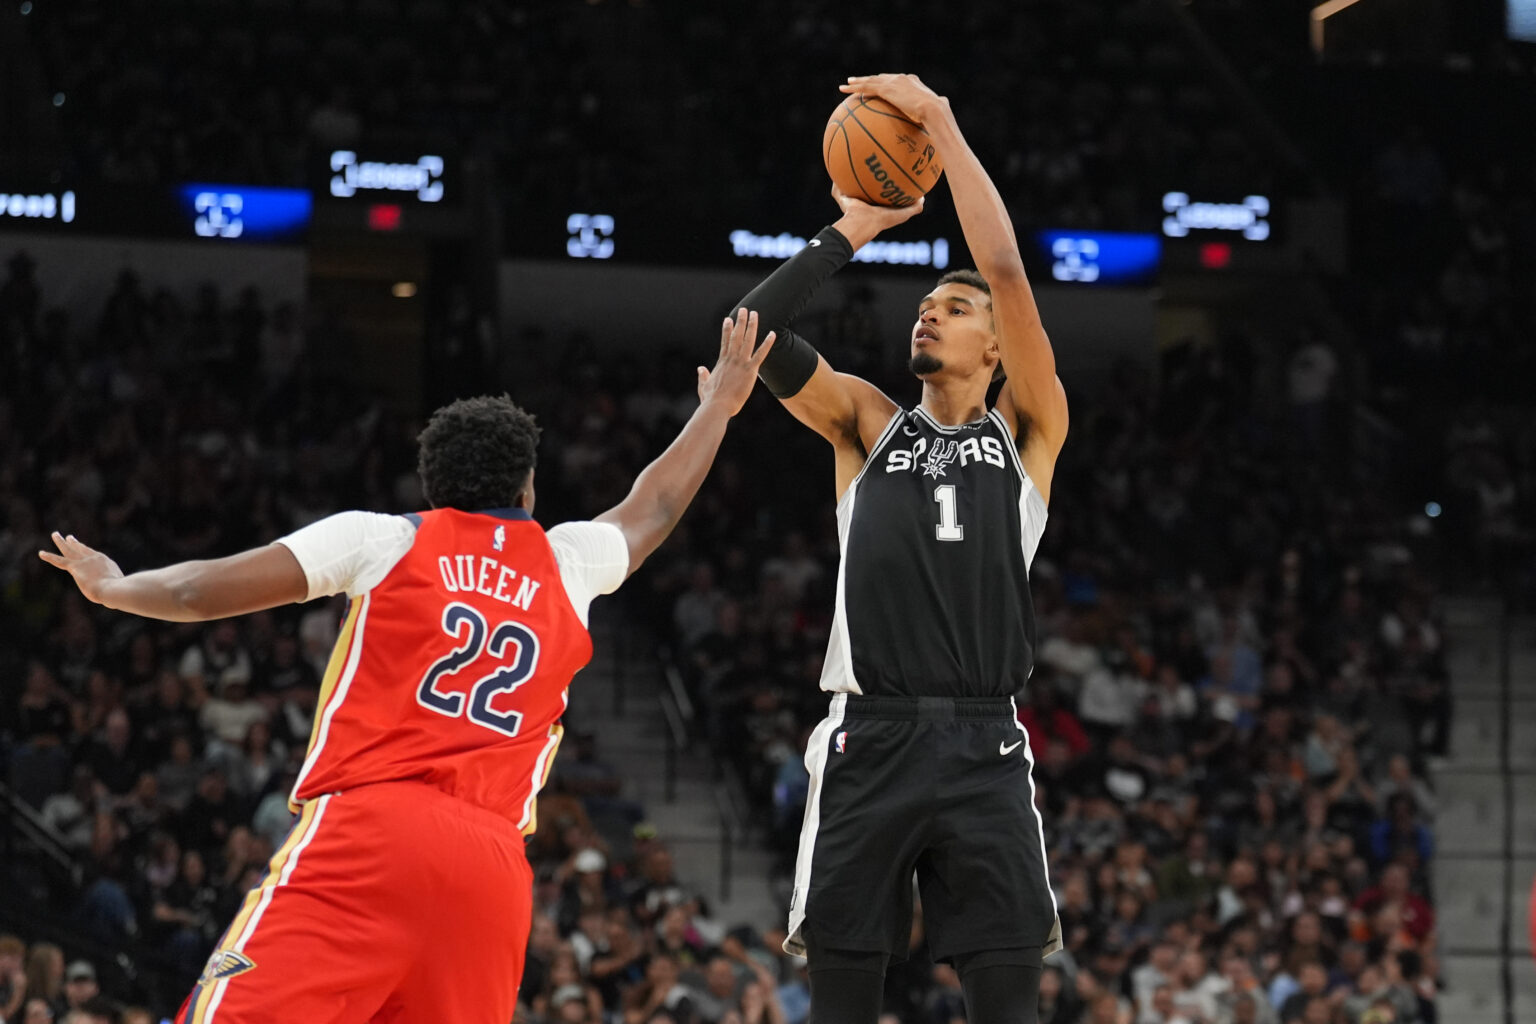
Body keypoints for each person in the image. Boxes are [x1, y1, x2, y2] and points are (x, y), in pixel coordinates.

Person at [39, 312, 776, 1024]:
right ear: (526, 488)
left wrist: (111, 586)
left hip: (373, 829)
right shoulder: (568, 561)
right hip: (491, 866)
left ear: (434, 489)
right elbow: (655, 506)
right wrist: (717, 408)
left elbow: (199, 591)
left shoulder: (385, 539)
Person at [730, 73, 1070, 1024]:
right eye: (925, 303)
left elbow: (1003, 268)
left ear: (999, 345)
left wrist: (945, 126)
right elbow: (751, 331)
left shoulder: (1028, 431)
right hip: (868, 735)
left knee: (1009, 1003)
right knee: (841, 1000)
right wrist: (859, 227)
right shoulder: (865, 426)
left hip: (985, 739)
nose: (930, 312)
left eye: (955, 309)